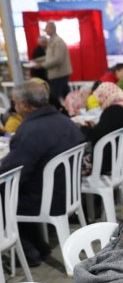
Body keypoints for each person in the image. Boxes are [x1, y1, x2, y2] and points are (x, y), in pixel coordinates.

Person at [0, 81, 84, 266]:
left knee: (6, 190)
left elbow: (13, 172)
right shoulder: (64, 121)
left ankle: (28, 253)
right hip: (67, 191)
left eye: (15, 103)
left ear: (24, 105)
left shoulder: (31, 130)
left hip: (45, 198)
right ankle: (39, 246)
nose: (14, 107)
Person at [82, 82, 123, 173]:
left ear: (106, 96)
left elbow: (97, 136)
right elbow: (107, 129)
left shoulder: (113, 110)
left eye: (100, 97)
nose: (99, 101)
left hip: (118, 160)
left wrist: (83, 128)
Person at [36, 21, 73, 106]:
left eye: (47, 28)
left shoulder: (58, 41)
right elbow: (50, 56)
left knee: (57, 98)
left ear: (52, 28)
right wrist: (39, 60)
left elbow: (58, 59)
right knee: (61, 97)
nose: (45, 30)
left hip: (59, 74)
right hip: (55, 74)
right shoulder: (52, 41)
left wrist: (42, 65)